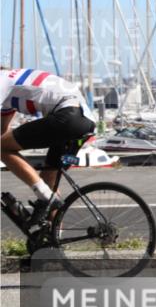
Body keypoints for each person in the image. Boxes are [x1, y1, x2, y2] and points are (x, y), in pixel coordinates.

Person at [1, 68, 96, 224]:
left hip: (68, 116)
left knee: (1, 148)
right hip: (83, 121)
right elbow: (3, 132)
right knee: (49, 182)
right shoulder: (12, 84)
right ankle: (55, 239)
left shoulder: (3, 79)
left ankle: (46, 196)